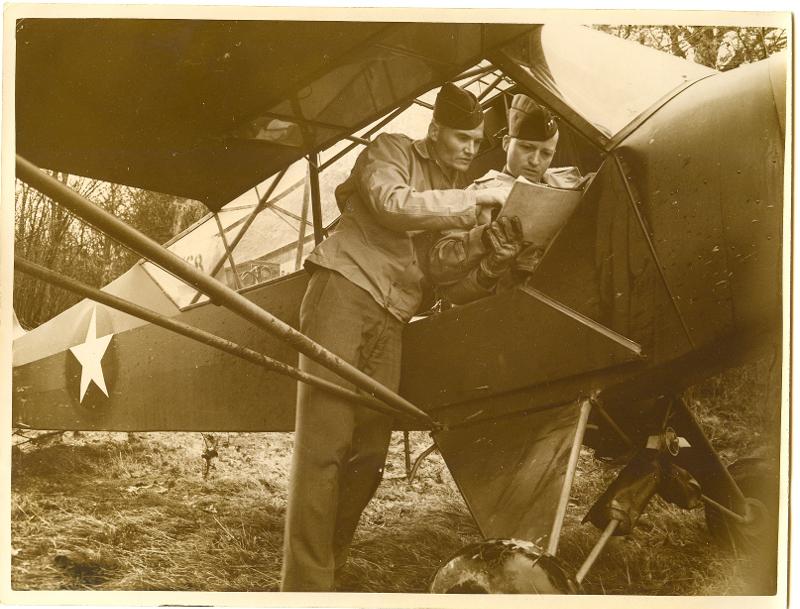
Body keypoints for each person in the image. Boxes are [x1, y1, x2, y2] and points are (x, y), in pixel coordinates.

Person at [280, 83, 507, 592]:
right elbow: (390, 203)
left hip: (393, 318)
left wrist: (488, 250)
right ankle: (305, 589)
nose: (472, 148)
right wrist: (473, 203)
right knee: (326, 449)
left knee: (368, 458)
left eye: (477, 140)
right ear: (435, 132)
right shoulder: (393, 150)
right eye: (462, 137)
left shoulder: (455, 194)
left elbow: (441, 271)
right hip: (344, 291)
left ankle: (328, 565)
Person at [428, 94, 594, 304]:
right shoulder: (477, 196)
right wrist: (489, 254)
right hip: (509, 307)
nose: (535, 161)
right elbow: (440, 271)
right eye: (526, 148)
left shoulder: (570, 182)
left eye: (546, 153)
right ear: (506, 143)